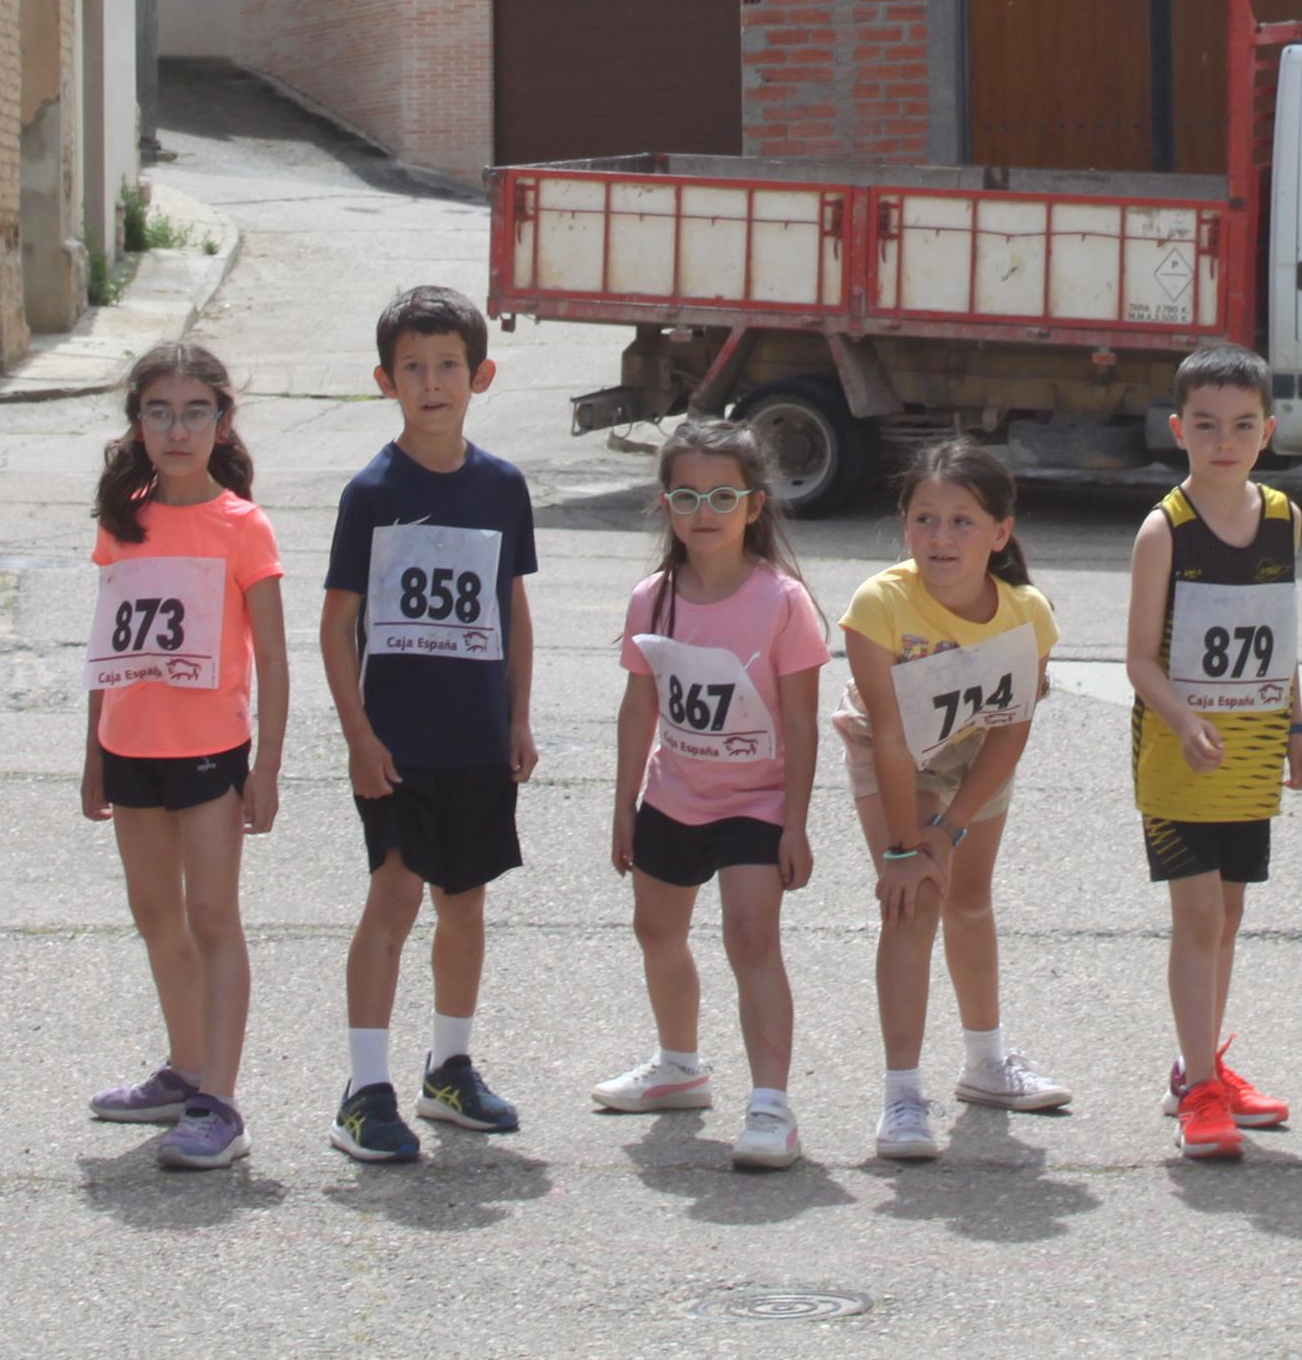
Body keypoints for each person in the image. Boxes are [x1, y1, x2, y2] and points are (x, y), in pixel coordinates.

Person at [319, 284, 539, 1165]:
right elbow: (337, 623)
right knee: (394, 897)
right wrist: (358, 735)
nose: (432, 380)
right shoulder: (372, 490)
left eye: (448, 363)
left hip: (477, 738)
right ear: (386, 381)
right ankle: (362, 1087)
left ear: (480, 375)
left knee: (465, 899)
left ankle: (449, 1067)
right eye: (412, 366)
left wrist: (520, 717)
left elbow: (511, 607)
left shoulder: (501, 486)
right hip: (398, 741)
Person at [592, 415, 827, 1173]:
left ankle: (769, 1104)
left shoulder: (782, 601)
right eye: (687, 496)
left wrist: (794, 823)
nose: (705, 512)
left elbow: (801, 717)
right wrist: (625, 805)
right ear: (664, 505)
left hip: (755, 803)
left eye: (723, 496)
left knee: (751, 939)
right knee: (656, 930)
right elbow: (639, 707)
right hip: (673, 795)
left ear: (755, 505)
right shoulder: (649, 598)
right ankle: (679, 1064)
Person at [81, 342, 288, 1172]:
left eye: (194, 411)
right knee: (155, 914)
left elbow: (272, 655)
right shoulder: (122, 515)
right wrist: (91, 751)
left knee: (210, 916)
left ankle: (222, 1102)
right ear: (137, 423)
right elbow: (106, 643)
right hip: (130, 748)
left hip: (210, 751)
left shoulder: (242, 523)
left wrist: (266, 763)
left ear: (221, 421)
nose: (176, 428)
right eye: (159, 412)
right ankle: (184, 1065)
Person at [837, 441, 1069, 1161]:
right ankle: (902, 1095)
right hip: (893, 749)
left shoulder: (1026, 612)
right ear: (904, 525)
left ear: (1000, 532)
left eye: (962, 521)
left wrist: (953, 825)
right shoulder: (879, 604)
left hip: (976, 753)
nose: (941, 537)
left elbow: (1010, 733)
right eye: (924, 519)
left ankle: (985, 1062)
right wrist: (908, 847)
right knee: (910, 905)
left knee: (969, 897)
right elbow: (892, 741)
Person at [1119, 341, 1302, 1164]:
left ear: (1265, 430)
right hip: (1178, 757)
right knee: (1196, 917)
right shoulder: (1164, 530)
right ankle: (1199, 1089)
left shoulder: (1283, 517)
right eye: (1205, 425)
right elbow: (1137, 658)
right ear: (1178, 429)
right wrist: (1183, 718)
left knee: (1226, 917)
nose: (1223, 441)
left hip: (1252, 751)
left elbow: (1280, 633)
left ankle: (1196, 1067)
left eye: (1240, 425)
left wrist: (1296, 726)